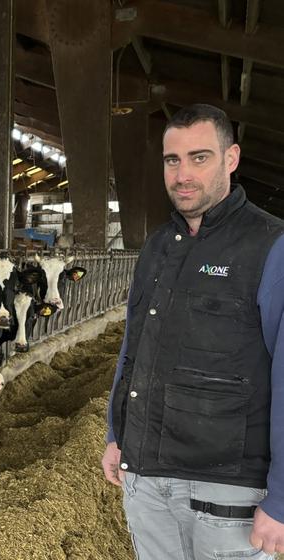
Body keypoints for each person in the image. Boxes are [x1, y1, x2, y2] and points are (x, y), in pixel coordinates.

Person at [102, 103, 284, 559]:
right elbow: (134, 348)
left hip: (227, 495)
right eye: (172, 160)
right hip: (145, 483)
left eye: (199, 157)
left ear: (232, 158)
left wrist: (282, 498)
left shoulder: (270, 246)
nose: (183, 174)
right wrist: (115, 433)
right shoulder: (158, 246)